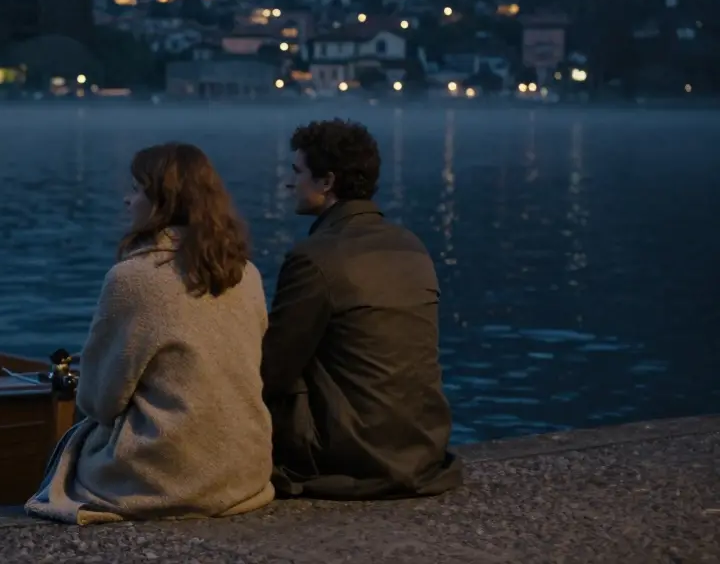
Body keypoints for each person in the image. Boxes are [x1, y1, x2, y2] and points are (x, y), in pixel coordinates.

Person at [26, 142, 275, 525]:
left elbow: (98, 400)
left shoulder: (132, 279)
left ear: (162, 201)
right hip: (244, 472)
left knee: (75, 450)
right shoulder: (247, 273)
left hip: (166, 478)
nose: (127, 201)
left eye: (136, 190)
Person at [263, 118, 463, 500]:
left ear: (326, 182)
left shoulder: (314, 258)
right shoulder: (411, 245)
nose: (290, 183)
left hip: (354, 454)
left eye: (297, 172)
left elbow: (272, 370)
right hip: (421, 447)